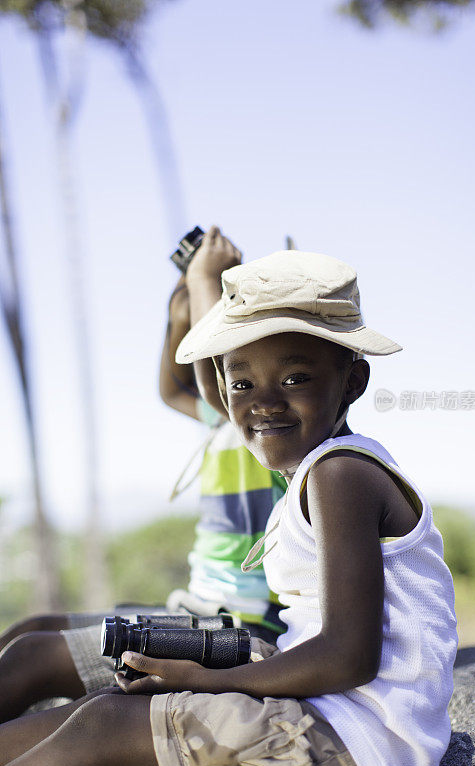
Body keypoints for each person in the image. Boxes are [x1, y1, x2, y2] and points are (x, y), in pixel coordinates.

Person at [0, 250, 457, 766]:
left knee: (106, 726)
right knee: (106, 705)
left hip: (358, 745)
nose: (264, 403)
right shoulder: (319, 469)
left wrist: (207, 682)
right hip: (337, 719)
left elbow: (347, 656)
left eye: (295, 377)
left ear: (353, 381)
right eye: (242, 386)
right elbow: (202, 386)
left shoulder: (341, 475)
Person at [0, 227, 285, 721]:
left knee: (29, 660)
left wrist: (204, 281)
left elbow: (208, 373)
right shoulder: (225, 419)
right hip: (200, 612)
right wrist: (179, 314)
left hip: (240, 628)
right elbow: (173, 390)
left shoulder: (269, 431)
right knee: (30, 630)